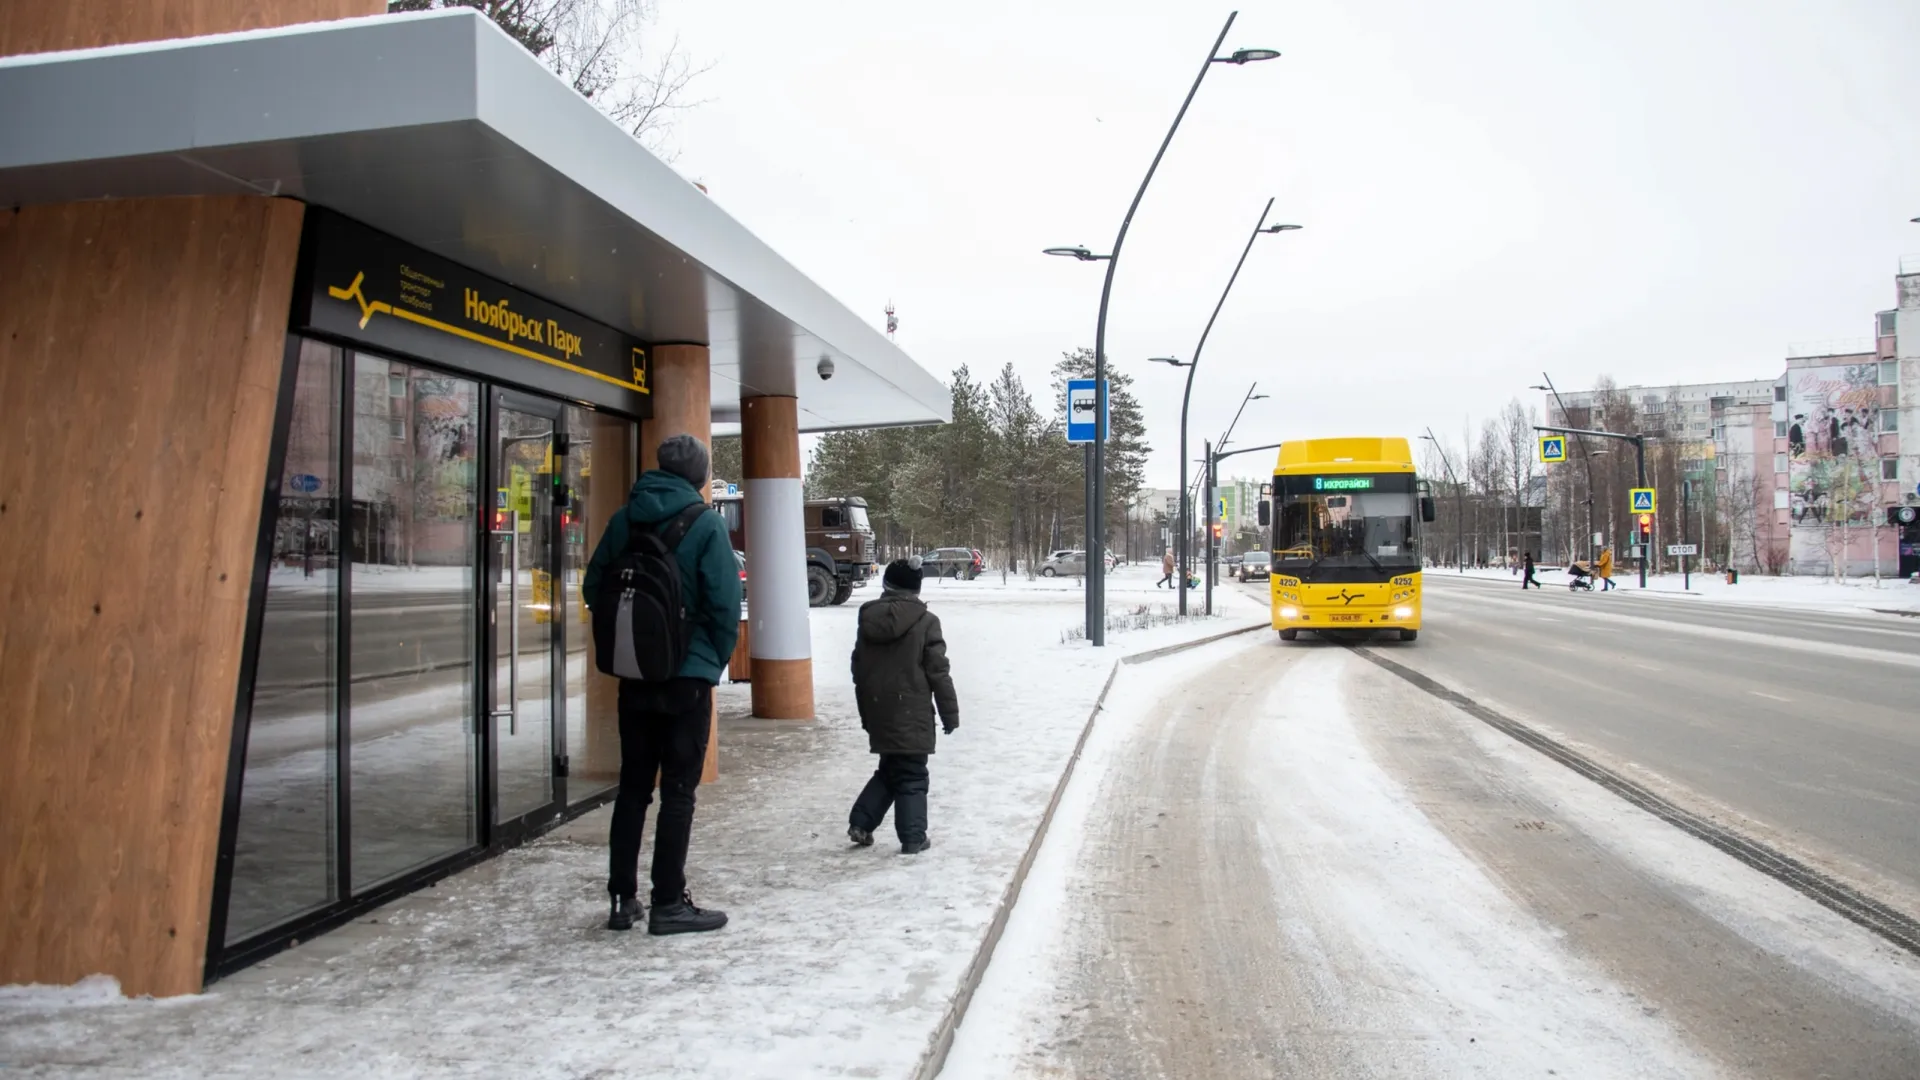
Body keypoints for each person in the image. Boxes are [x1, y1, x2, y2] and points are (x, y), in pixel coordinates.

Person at [583, 434, 741, 935]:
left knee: (633, 789)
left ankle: (620, 900)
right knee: (678, 791)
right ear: (698, 476)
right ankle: (668, 902)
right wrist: (707, 659)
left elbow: (594, 588)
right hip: (686, 682)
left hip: (635, 676)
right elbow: (722, 605)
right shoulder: (706, 524)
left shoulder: (624, 519)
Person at [848, 557, 959, 855]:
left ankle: (861, 823)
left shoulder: (868, 618)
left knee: (891, 769)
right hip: (911, 712)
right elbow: (938, 672)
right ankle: (913, 837)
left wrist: (866, 712)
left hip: (878, 708)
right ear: (916, 589)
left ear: (886, 585)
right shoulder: (926, 622)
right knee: (911, 774)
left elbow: (858, 667)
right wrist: (950, 714)